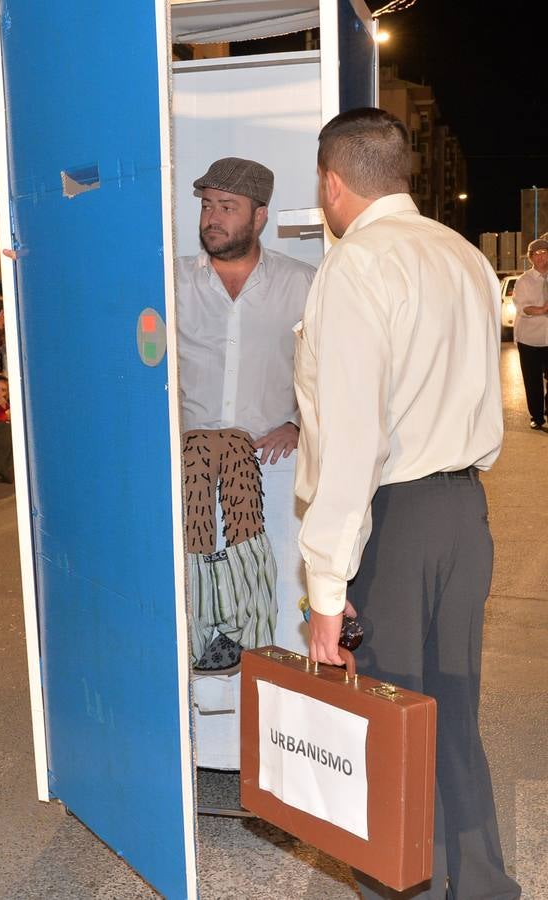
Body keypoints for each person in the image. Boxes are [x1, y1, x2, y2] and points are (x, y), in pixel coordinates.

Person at [294, 108, 520, 900]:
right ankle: (481, 882)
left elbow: (353, 438)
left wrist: (326, 592)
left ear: (331, 181)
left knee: (386, 717)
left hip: (394, 521)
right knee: (450, 705)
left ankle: (408, 887)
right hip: (466, 514)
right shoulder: (462, 256)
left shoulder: (358, 267)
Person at [176, 156, 315, 670]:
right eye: (208, 205)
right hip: (189, 471)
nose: (212, 217)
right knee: (193, 590)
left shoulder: (303, 284)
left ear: (259, 217)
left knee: (266, 592)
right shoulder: (172, 284)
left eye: (227, 207)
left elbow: (332, 369)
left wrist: (299, 422)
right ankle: (202, 734)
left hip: (273, 474)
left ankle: (267, 729)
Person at [512, 237, 548, 429]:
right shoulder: (523, 281)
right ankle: (536, 416)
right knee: (532, 380)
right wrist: (543, 310)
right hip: (530, 339)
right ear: (530, 258)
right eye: (537, 254)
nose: (541, 257)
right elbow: (522, 308)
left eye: (544, 252)